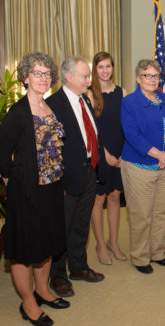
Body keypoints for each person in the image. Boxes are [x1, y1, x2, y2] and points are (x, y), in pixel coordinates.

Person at [0, 53, 69, 326]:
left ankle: (42, 291)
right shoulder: (17, 113)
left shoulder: (50, 107)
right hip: (26, 193)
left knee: (47, 243)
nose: (43, 78)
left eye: (46, 73)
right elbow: (3, 155)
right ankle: (28, 303)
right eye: (37, 73)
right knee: (25, 249)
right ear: (26, 77)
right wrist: (12, 181)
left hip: (52, 188)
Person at [48, 56, 105, 298]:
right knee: (62, 227)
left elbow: (89, 136)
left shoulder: (85, 101)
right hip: (66, 178)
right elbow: (50, 149)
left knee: (81, 225)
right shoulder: (52, 104)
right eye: (84, 76)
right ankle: (58, 275)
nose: (88, 80)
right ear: (68, 77)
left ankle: (79, 267)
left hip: (88, 173)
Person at [120, 59, 165, 274]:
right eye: (147, 75)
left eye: (156, 75)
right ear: (138, 78)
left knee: (161, 212)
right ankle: (140, 256)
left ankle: (157, 252)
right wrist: (159, 155)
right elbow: (133, 136)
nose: (153, 79)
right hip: (140, 165)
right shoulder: (130, 102)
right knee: (141, 214)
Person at [87, 52, 127, 265]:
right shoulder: (90, 94)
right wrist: (107, 155)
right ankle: (100, 244)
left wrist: (124, 154)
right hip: (100, 153)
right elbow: (90, 131)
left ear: (113, 67)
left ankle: (113, 241)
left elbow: (129, 125)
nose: (105, 70)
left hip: (121, 153)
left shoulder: (122, 92)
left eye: (108, 66)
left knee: (114, 196)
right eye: (100, 67)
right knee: (99, 198)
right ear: (95, 69)